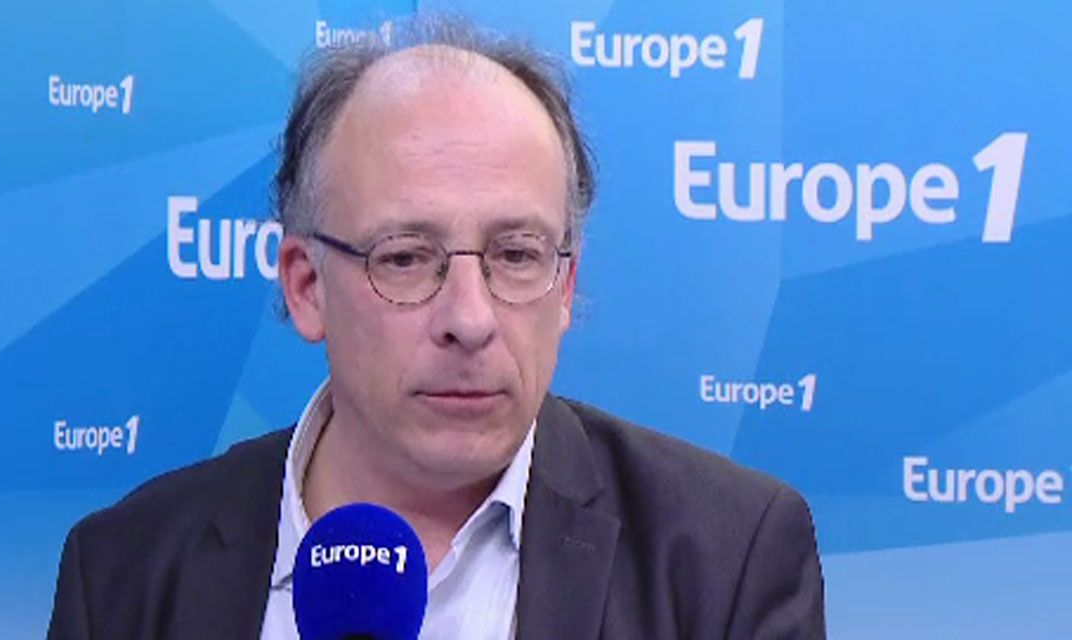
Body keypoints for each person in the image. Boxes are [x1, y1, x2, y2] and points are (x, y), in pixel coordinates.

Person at [48, 16, 825, 640]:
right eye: (406, 258)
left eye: (516, 255)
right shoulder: (124, 571)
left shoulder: (728, 559)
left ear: (565, 287)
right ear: (307, 286)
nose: (470, 319)